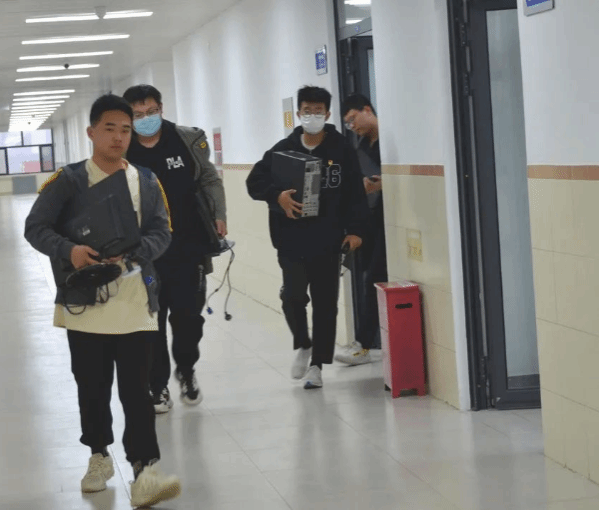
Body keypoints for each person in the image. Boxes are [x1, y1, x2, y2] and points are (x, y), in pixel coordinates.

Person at [24, 94, 181, 507]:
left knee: (137, 392)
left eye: (125, 130)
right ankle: (98, 457)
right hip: (86, 305)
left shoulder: (146, 181)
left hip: (135, 302)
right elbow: (35, 227)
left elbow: (162, 232)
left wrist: (135, 255)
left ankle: (145, 470)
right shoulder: (69, 180)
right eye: (109, 128)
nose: (118, 137)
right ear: (91, 132)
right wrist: (70, 251)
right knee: (92, 388)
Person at [246, 85, 369, 389]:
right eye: (307, 111)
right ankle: (303, 342)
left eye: (318, 111)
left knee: (326, 304)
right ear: (298, 113)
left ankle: (317, 365)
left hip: (328, 239)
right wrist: (277, 197)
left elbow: (355, 192)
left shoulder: (342, 149)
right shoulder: (282, 149)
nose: (312, 116)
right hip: (290, 239)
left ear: (327, 114)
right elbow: (254, 183)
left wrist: (356, 230)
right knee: (293, 296)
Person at [122, 85, 227, 413]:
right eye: (138, 115)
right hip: (144, 254)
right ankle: (157, 387)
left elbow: (208, 179)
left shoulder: (185, 140)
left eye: (151, 112)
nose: (146, 119)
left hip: (188, 247)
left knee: (188, 319)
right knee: (151, 321)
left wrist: (219, 214)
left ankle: (186, 368)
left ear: (161, 109)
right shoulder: (123, 148)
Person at [335, 93, 388, 366]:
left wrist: (383, 184)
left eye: (353, 119)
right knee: (368, 277)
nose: (352, 126)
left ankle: (364, 345)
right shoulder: (361, 146)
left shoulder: (389, 139)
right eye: (347, 123)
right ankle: (367, 343)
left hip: (390, 220)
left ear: (367, 109)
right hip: (369, 220)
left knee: (373, 279)